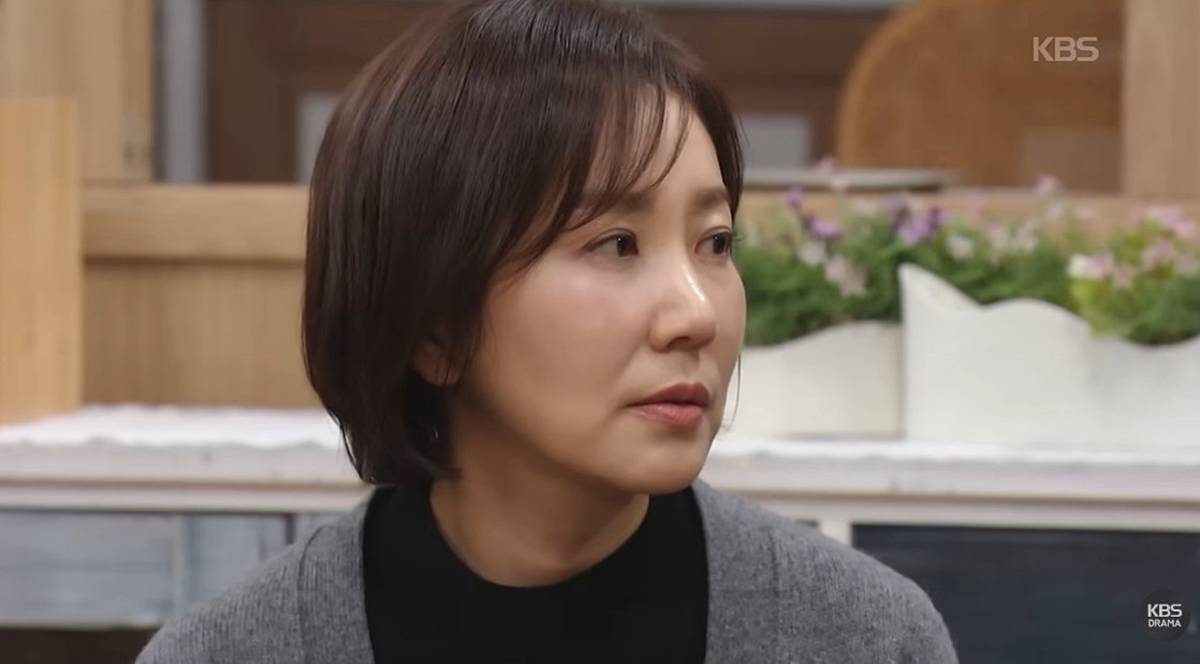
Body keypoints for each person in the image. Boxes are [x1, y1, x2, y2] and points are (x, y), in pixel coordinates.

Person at [136, 0, 958, 662]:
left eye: (715, 243)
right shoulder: (231, 652)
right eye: (617, 244)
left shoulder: (865, 638)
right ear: (435, 326)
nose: (697, 314)